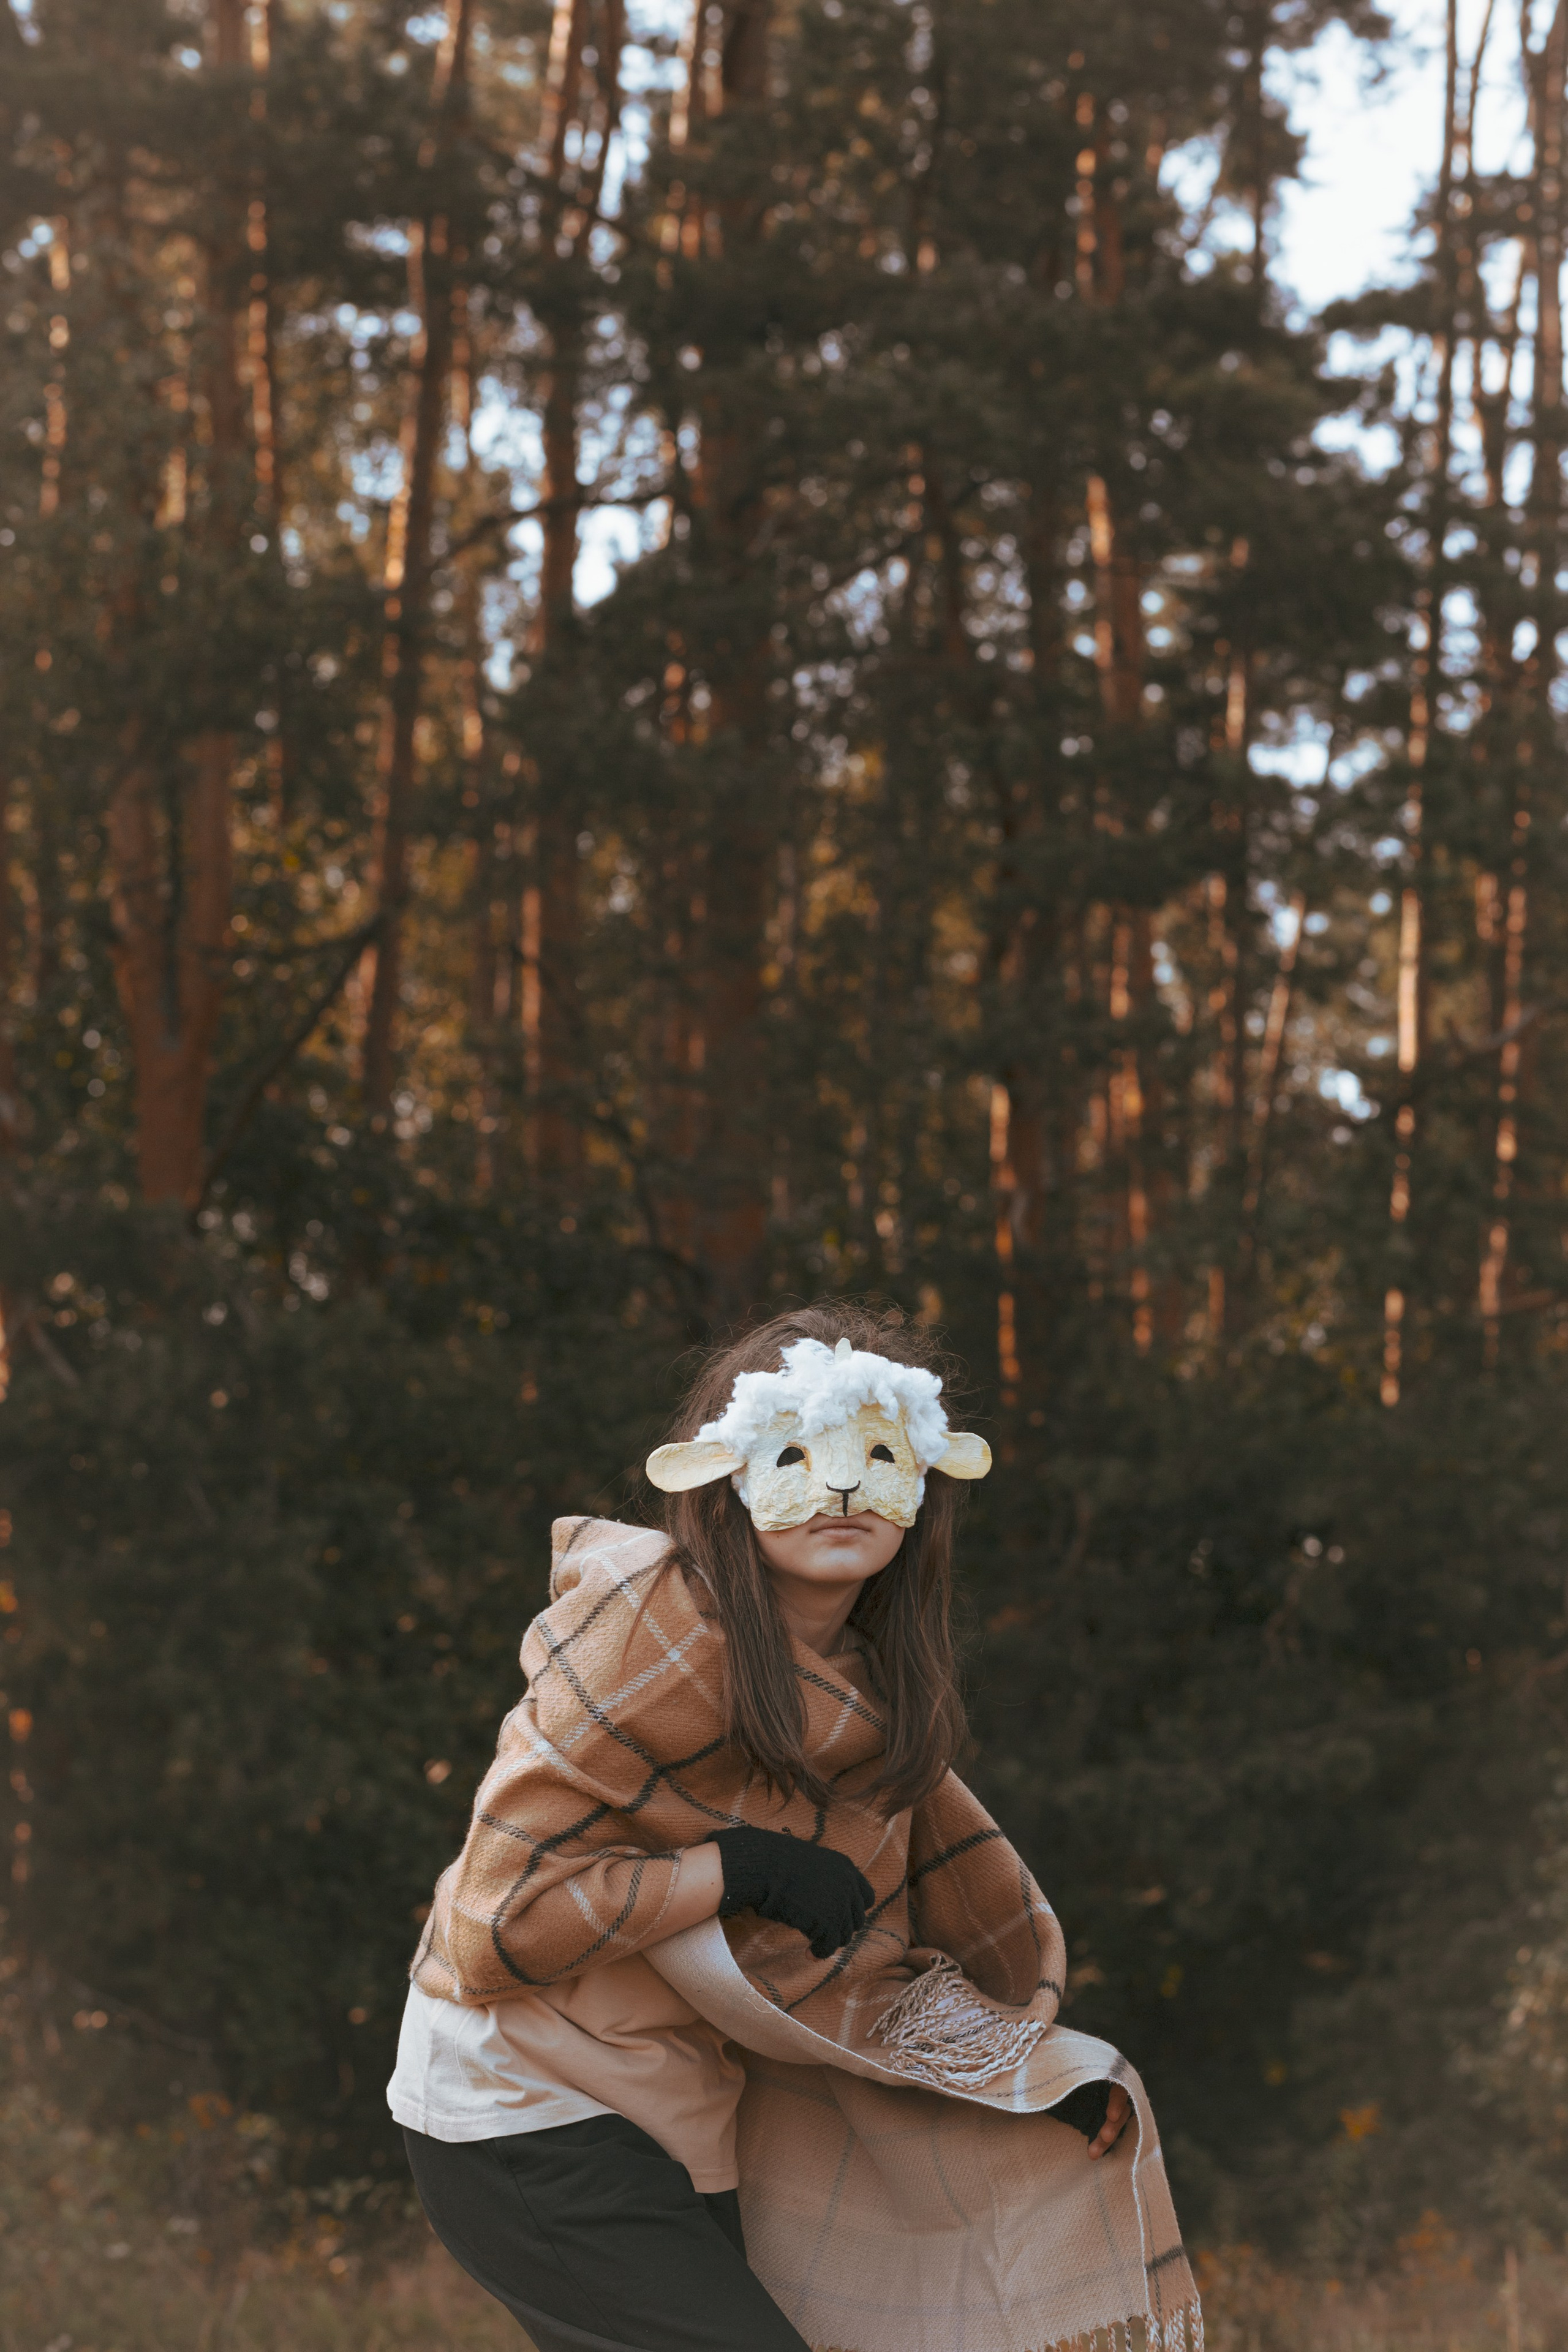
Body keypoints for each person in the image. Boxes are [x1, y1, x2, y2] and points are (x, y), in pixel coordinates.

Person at [388, 1304, 1197, 2352]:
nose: (844, 1485)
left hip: (684, 2110)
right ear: (723, 1476)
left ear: (927, 1478)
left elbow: (857, 1963)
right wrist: (733, 1870)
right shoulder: (644, 1630)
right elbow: (492, 1926)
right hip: (521, 2098)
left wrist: (1022, 2086)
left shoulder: (871, 1703)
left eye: (879, 1453)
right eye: (798, 1453)